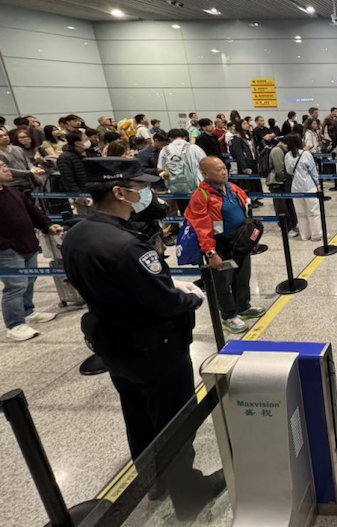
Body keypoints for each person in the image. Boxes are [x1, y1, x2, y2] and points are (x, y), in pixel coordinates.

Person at [61, 157, 223, 518]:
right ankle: (189, 493)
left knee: (137, 416)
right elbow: (165, 303)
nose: (146, 193)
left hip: (113, 343)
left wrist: (163, 285)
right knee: (174, 421)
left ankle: (154, 480)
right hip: (156, 349)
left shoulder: (77, 235)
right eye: (140, 187)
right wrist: (191, 297)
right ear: (120, 192)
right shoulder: (129, 246)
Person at [184, 157, 266, 334]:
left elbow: (246, 211)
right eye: (218, 169)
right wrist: (211, 253)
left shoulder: (232, 188)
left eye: (224, 168)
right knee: (222, 283)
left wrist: (252, 239)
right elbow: (201, 227)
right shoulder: (201, 196)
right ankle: (228, 316)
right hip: (219, 244)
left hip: (240, 242)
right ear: (206, 174)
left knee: (242, 277)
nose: (223, 172)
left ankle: (243, 307)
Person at [0, 161, 60, 341]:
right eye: (1, 167)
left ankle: (28, 311)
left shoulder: (12, 191)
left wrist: (47, 225)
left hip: (28, 243)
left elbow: (32, 210)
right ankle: (14, 325)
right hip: (7, 250)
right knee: (15, 286)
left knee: (30, 280)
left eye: (5, 165)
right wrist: (4, 245)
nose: (6, 168)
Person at [284, 132, 321, 241]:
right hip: (309, 186)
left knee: (300, 213)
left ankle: (305, 235)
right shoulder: (306, 154)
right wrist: (317, 183)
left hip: (295, 187)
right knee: (313, 211)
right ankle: (316, 234)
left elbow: (289, 171)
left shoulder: (287, 156)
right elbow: (313, 171)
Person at [159, 129, 206, 213]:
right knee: (198, 211)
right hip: (195, 186)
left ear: (169, 138)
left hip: (175, 188)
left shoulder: (164, 150)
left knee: (183, 210)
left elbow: (160, 168)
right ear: (184, 137)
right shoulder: (193, 148)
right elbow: (205, 163)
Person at [267, 136, 300, 238]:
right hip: (277, 182)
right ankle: (286, 227)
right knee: (281, 207)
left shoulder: (285, 151)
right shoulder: (277, 151)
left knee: (289, 204)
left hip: (285, 182)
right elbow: (279, 170)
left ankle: (293, 225)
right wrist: (287, 177)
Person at [230, 120, 263, 208]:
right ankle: (247, 200)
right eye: (244, 124)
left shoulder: (249, 136)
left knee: (254, 182)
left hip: (253, 161)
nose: (247, 125)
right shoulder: (236, 138)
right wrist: (244, 166)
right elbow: (239, 154)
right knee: (247, 183)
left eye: (247, 123)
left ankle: (254, 198)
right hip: (245, 163)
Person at [57, 130, 91, 195]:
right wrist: (79, 195)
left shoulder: (85, 153)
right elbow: (68, 181)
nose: (88, 141)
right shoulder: (65, 158)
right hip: (79, 195)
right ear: (77, 143)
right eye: (86, 139)